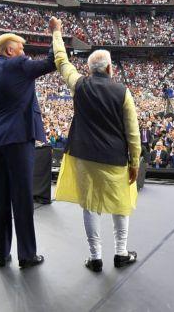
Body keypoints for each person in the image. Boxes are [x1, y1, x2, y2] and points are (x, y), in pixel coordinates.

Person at [50, 17, 141, 273]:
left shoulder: (79, 85)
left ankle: (95, 257)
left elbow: (61, 62)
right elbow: (133, 133)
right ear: (110, 69)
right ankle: (121, 253)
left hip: (84, 155)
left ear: (89, 70)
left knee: (89, 205)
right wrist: (134, 162)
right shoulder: (123, 92)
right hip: (114, 157)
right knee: (120, 202)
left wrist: (57, 34)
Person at [0, 32, 55, 269]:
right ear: (10, 51)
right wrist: (56, 32)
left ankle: (1, 254)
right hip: (17, 139)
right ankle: (27, 255)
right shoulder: (17, 65)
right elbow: (51, 62)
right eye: (21, 49)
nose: (25, 54)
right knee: (21, 197)